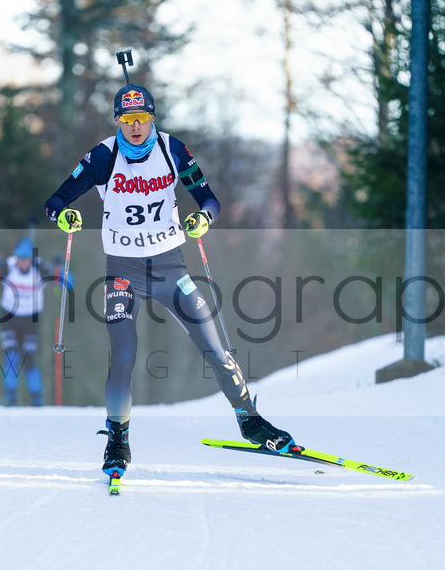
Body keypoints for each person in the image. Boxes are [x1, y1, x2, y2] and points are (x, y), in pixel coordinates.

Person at [43, 83, 294, 478]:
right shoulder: (104, 156)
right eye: (127, 120)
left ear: (153, 118)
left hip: (170, 269)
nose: (135, 127)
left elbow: (208, 198)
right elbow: (56, 200)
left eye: (142, 119)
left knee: (215, 346)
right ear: (118, 122)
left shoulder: (172, 150)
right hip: (123, 272)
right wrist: (63, 216)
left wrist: (204, 219)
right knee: (122, 356)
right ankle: (117, 439)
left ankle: (251, 421)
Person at [0, 237, 71, 407]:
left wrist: (60, 269)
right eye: (20, 258)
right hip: (9, 316)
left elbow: (68, 283)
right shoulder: (8, 265)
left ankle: (37, 400)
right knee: (11, 356)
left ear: (31, 258)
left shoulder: (40, 267)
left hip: (31, 318)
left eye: (26, 259)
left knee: (29, 359)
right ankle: (11, 399)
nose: (22, 263)